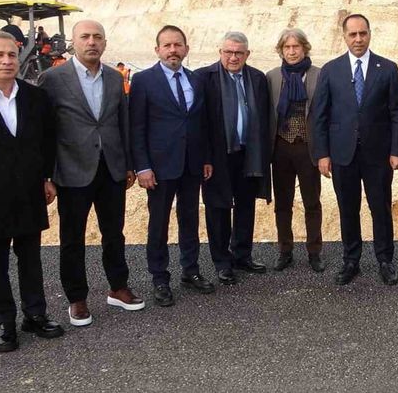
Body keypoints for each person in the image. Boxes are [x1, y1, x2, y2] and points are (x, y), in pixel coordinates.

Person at [0, 31, 63, 352]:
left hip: (29, 192)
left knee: (31, 259)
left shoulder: (35, 98)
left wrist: (47, 177)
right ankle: (5, 322)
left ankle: (35, 314)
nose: (6, 61)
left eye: (11, 55)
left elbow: (47, 141)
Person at [38, 20, 145, 327]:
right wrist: (46, 174)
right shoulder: (53, 78)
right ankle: (77, 298)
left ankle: (118, 287)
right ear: (74, 42)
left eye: (98, 37)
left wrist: (128, 164)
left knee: (114, 232)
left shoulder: (114, 77)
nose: (92, 42)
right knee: (72, 237)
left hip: (111, 167)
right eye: (85, 37)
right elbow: (44, 129)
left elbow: (122, 122)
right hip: (72, 169)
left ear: (105, 43)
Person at [310, 14, 398, 286]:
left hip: (379, 155)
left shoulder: (387, 68)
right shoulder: (331, 70)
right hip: (342, 154)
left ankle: (385, 260)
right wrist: (322, 154)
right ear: (344, 37)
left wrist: (397, 150)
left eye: (362, 33)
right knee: (348, 208)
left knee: (381, 208)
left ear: (369, 34)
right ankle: (351, 260)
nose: (358, 39)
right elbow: (320, 115)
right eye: (352, 34)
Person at [130, 25, 214, 307]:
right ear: (157, 50)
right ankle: (160, 278)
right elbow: (137, 127)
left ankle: (190, 271)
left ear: (186, 49)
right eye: (167, 45)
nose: (173, 50)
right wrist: (142, 166)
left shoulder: (196, 80)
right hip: (159, 167)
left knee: (190, 219)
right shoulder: (143, 80)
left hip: (192, 164)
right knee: (159, 223)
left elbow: (202, 123)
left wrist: (206, 158)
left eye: (177, 45)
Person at [197, 32, 271, 285]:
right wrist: (205, 157)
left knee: (246, 206)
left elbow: (264, 117)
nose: (233, 57)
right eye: (228, 52)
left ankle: (242, 255)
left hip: (249, 153)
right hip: (217, 156)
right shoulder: (204, 78)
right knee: (218, 208)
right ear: (220, 52)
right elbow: (200, 122)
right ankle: (222, 262)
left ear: (247, 54)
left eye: (239, 53)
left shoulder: (257, 78)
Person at [266, 28, 324, 272]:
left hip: (308, 148)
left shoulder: (319, 75)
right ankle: (285, 250)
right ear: (281, 50)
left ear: (304, 48)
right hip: (280, 147)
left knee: (312, 202)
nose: (291, 52)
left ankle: (314, 252)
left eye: (296, 46)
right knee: (282, 203)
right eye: (287, 47)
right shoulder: (272, 77)